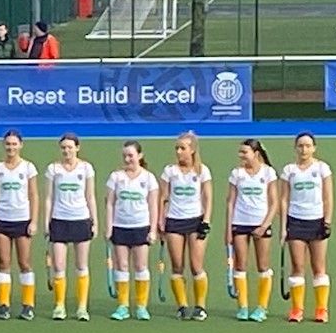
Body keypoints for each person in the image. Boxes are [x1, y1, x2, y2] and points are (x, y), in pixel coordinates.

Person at [280, 132, 334, 323]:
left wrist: (327, 221)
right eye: (301, 146)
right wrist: (283, 226)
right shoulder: (289, 170)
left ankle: (321, 309)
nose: (304, 149)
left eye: (308, 146)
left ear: (314, 148)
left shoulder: (322, 168)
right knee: (297, 266)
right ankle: (297, 309)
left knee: (318, 266)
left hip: (317, 221)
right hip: (296, 221)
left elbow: (328, 197)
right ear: (296, 148)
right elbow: (284, 199)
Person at [159, 131, 213, 321]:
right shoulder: (170, 171)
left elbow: (208, 197)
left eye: (182, 148)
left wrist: (206, 220)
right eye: (177, 148)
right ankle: (182, 305)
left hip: (195, 220)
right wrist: (161, 221)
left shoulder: (202, 171)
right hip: (174, 221)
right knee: (177, 265)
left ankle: (200, 306)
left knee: (196, 265)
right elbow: (163, 197)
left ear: (192, 150)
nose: (179, 152)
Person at [44, 132, 97, 322]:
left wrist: (94, 221)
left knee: (81, 266)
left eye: (70, 147)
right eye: (64, 147)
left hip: (81, 219)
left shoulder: (86, 168)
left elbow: (90, 196)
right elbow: (49, 198)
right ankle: (59, 306)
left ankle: (82, 308)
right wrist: (46, 223)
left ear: (77, 148)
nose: (67, 151)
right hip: (59, 221)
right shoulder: (53, 169)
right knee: (58, 266)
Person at [0, 129, 38, 320]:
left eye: (14, 144)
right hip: (2, 220)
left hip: (22, 220)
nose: (11, 147)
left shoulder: (28, 168)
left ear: (20, 145)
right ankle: (4, 304)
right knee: (3, 263)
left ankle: (28, 305)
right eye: (8, 144)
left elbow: (34, 195)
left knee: (24, 263)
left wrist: (33, 220)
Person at [105, 140, 159, 321]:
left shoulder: (149, 178)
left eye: (131, 155)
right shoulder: (116, 177)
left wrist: (153, 230)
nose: (127, 159)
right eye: (125, 156)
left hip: (140, 226)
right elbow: (110, 203)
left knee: (141, 266)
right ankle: (123, 306)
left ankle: (141, 306)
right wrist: (109, 226)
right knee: (122, 266)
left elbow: (153, 206)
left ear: (139, 156)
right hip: (120, 227)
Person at [225, 139, 278, 322]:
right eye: (240, 152)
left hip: (261, 224)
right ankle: (243, 307)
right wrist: (228, 229)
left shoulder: (268, 173)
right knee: (240, 265)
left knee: (263, 265)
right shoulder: (237, 174)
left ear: (255, 154)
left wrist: (264, 225)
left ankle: (261, 308)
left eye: (244, 152)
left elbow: (274, 202)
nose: (241, 156)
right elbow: (230, 202)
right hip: (240, 223)